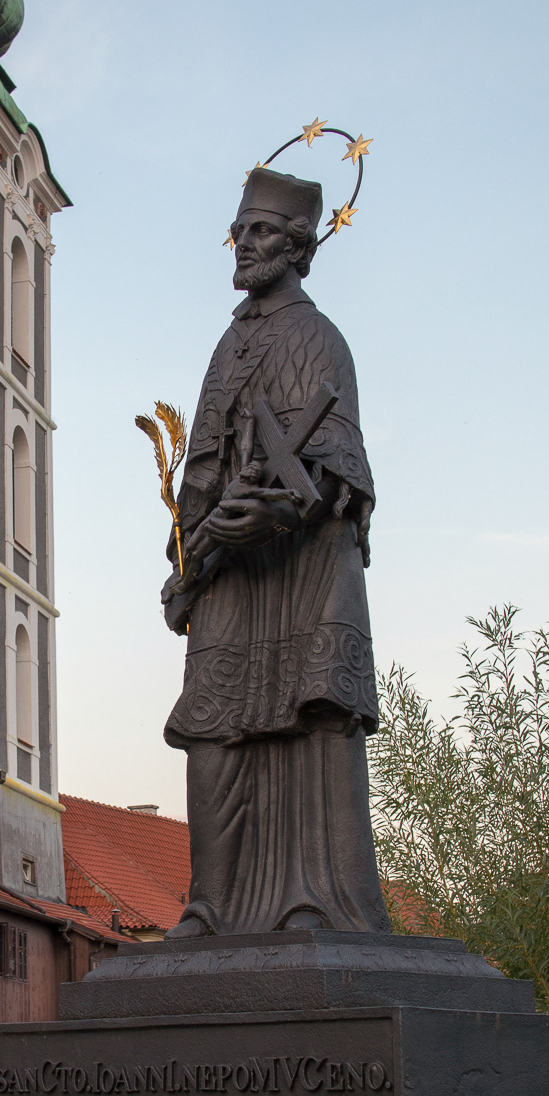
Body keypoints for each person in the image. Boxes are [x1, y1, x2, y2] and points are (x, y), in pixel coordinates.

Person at [160, 166, 391, 936]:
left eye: (259, 231)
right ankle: (208, 907)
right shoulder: (229, 342)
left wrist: (265, 513)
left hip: (300, 571)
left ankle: (314, 903)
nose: (243, 244)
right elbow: (201, 466)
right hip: (228, 570)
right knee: (213, 729)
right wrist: (187, 561)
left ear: (296, 246)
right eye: (239, 230)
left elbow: (336, 472)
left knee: (309, 721)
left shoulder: (318, 338)